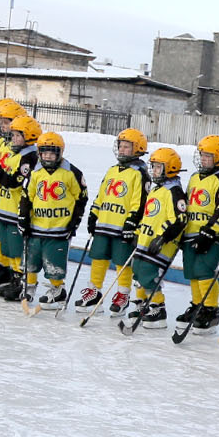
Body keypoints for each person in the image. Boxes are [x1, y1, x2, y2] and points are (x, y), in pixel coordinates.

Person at [74, 129, 149, 314]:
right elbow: (102, 194)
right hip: (104, 223)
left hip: (123, 227)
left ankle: (122, 295)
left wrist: (132, 221)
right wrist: (93, 213)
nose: (122, 150)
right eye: (121, 146)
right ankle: (94, 292)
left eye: (127, 147)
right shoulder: (112, 170)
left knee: (121, 261)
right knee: (98, 257)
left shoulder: (139, 173)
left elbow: (139, 201)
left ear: (137, 149)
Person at [17, 131, 88, 305]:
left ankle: (57, 290)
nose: (48, 156)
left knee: (54, 265)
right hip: (36, 227)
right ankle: (29, 287)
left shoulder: (72, 173)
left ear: (60, 153)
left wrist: (74, 222)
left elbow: (82, 198)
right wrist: (23, 218)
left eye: (52, 152)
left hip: (59, 229)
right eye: (44, 152)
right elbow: (27, 197)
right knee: (30, 261)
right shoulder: (35, 173)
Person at [126, 148, 189, 328]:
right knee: (137, 271)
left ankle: (158, 308)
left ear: (169, 168)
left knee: (148, 275)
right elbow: (148, 217)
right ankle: (142, 304)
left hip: (160, 245)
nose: (153, 171)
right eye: (152, 167)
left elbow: (180, 219)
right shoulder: (156, 190)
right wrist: (138, 234)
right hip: (145, 242)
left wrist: (163, 238)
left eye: (158, 167)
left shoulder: (174, 191)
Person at [178, 134, 219, 332]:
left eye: (208, 156)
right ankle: (197, 305)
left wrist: (210, 232)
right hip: (191, 233)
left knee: (204, 271)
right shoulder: (194, 178)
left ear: (218, 158)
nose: (203, 159)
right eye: (201, 155)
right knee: (192, 272)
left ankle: (211, 311)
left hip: (212, 237)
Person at [0, 116, 43, 301]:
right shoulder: (14, 153)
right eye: (12, 134)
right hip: (5, 207)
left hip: (16, 210)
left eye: (17, 135)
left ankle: (22, 281)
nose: (13, 138)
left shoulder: (30, 156)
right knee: (8, 248)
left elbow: (13, 182)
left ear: (28, 136)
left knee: (17, 249)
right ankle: (15, 277)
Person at [0, 99, 30, 287]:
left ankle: (10, 269)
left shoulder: (19, 149)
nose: (2, 125)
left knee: (8, 235)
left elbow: (8, 174)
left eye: (6, 121)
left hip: (7, 198)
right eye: (1, 121)